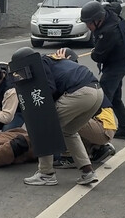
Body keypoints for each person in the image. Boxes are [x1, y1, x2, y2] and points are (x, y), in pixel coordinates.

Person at [13, 46, 104, 186]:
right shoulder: (52, 60)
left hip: (79, 93)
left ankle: (46, 173)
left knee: (44, 128)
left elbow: (49, 89)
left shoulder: (39, 65)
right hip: (97, 92)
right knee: (69, 131)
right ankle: (88, 171)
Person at [81, 0, 125, 140]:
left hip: (118, 63)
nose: (87, 26)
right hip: (119, 58)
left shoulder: (109, 31)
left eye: (89, 23)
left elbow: (97, 56)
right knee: (115, 97)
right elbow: (115, 5)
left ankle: (100, 134)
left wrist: (93, 51)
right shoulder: (107, 12)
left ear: (98, 20)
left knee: (103, 97)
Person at [55, 94, 117, 168]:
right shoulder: (83, 84)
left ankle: (69, 157)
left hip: (101, 126)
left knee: (63, 119)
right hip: (108, 123)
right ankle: (95, 147)